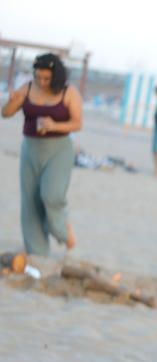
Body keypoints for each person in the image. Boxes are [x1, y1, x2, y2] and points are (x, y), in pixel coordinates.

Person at [1, 53, 83, 256]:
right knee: (30, 202)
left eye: (46, 78)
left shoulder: (69, 92)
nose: (41, 81)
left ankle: (62, 230)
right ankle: (38, 253)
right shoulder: (28, 87)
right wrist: (11, 101)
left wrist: (55, 125)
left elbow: (77, 123)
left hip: (59, 150)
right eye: (38, 77)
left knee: (51, 195)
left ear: (56, 76)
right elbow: (6, 113)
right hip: (31, 148)